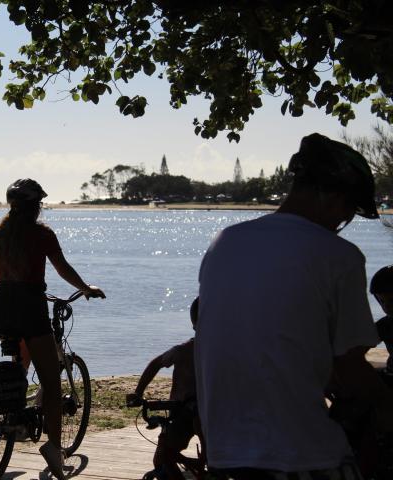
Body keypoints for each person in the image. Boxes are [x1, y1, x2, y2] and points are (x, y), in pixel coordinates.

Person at [195, 133, 393, 479]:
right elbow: (349, 366)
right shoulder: (339, 256)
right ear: (330, 194)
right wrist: (385, 404)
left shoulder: (225, 242)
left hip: (225, 448)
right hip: (298, 453)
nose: (342, 223)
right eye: (348, 210)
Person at [0, 178, 105, 480]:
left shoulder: (0, 233)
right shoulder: (42, 234)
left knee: (20, 367)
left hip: (0, 307)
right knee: (52, 385)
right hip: (29, 307)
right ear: (35, 206)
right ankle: (54, 449)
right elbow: (62, 267)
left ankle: (14, 416)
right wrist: (86, 287)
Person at [127, 297, 200, 480]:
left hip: (183, 413)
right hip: (202, 414)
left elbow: (156, 364)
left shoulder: (184, 350)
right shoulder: (222, 351)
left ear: (193, 324)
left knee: (163, 458)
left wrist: (138, 393)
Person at [370, 265, 393, 372]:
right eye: (382, 301)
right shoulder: (386, 324)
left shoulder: (386, 324)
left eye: (392, 300)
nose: (387, 306)